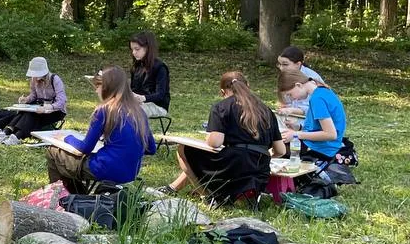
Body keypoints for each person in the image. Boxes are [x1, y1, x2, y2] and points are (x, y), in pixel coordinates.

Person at [161, 71, 285, 204]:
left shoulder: (222, 107)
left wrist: (209, 137)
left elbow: (215, 142)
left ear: (222, 91)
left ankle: (207, 196)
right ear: (247, 86)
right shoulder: (266, 110)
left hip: (233, 170)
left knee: (184, 149)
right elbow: (281, 150)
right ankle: (173, 187)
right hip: (260, 172)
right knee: (202, 159)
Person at [47, 66, 155, 193]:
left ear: (107, 88)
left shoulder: (105, 110)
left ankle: (60, 198)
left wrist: (67, 137)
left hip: (105, 168)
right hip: (131, 173)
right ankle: (78, 197)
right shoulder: (139, 111)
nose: (96, 90)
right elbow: (151, 149)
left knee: (52, 151)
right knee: (75, 162)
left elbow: (85, 148)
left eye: (98, 86)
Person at [0, 57, 67, 144]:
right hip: (39, 108)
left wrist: (48, 107)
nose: (35, 77)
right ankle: (6, 132)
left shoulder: (55, 80)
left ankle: (17, 136)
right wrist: (26, 99)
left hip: (55, 111)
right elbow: (34, 95)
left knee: (32, 115)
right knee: (24, 112)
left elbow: (62, 101)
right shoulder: (34, 79)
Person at [278, 68, 347, 163]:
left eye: (290, 94)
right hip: (324, 145)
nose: (293, 99)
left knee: (277, 149)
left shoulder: (317, 99)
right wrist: (298, 127)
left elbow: (331, 134)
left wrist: (295, 134)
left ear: (298, 85)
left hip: (322, 149)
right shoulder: (322, 91)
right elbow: (320, 127)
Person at [128, 31, 170, 118]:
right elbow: (133, 89)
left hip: (157, 105)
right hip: (139, 103)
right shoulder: (136, 66)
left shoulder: (160, 67)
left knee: (132, 111)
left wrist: (143, 98)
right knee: (114, 107)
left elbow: (160, 95)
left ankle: (135, 126)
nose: (133, 53)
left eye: (137, 49)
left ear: (147, 48)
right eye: (132, 49)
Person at [276, 45, 326, 110]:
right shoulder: (286, 75)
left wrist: (293, 110)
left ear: (298, 64)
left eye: (285, 64)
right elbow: (286, 102)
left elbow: (317, 108)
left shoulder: (311, 77)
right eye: (279, 64)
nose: (281, 68)